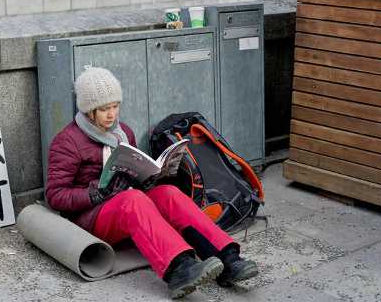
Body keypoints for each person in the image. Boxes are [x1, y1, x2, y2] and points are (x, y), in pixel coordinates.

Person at [45, 67, 258, 299]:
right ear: (88, 111)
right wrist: (96, 193)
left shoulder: (123, 132)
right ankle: (179, 268)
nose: (112, 115)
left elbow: (136, 171)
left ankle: (227, 259)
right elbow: (55, 195)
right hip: (92, 216)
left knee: (168, 193)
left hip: (126, 203)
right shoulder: (67, 141)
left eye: (115, 106)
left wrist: (150, 177)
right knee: (132, 200)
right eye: (104, 109)